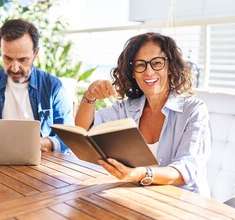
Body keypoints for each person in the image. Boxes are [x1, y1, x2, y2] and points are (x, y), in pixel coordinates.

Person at [75, 32, 212, 196]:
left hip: (184, 204)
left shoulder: (194, 110)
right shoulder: (126, 109)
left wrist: (141, 174)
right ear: (133, 71)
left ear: (170, 67)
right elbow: (85, 128)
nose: (149, 72)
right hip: (139, 199)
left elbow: (187, 170)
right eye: (140, 65)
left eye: (157, 63)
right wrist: (89, 96)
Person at [0, 19, 73, 153]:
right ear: (0, 49)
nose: (14, 67)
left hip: (41, 164)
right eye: (8, 58)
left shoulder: (53, 86)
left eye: (22, 59)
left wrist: (42, 143)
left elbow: (69, 138)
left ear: (35, 54)